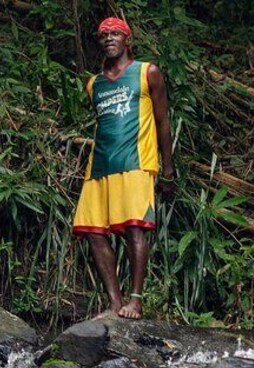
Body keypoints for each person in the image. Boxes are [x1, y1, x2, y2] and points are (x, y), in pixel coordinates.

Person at [73, 17, 175, 320]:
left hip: (136, 162)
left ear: (127, 39)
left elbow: (162, 121)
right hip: (100, 165)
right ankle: (115, 303)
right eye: (103, 35)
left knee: (134, 228)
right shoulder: (94, 84)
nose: (108, 38)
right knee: (93, 231)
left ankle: (136, 301)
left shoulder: (147, 72)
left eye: (115, 33)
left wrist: (167, 169)